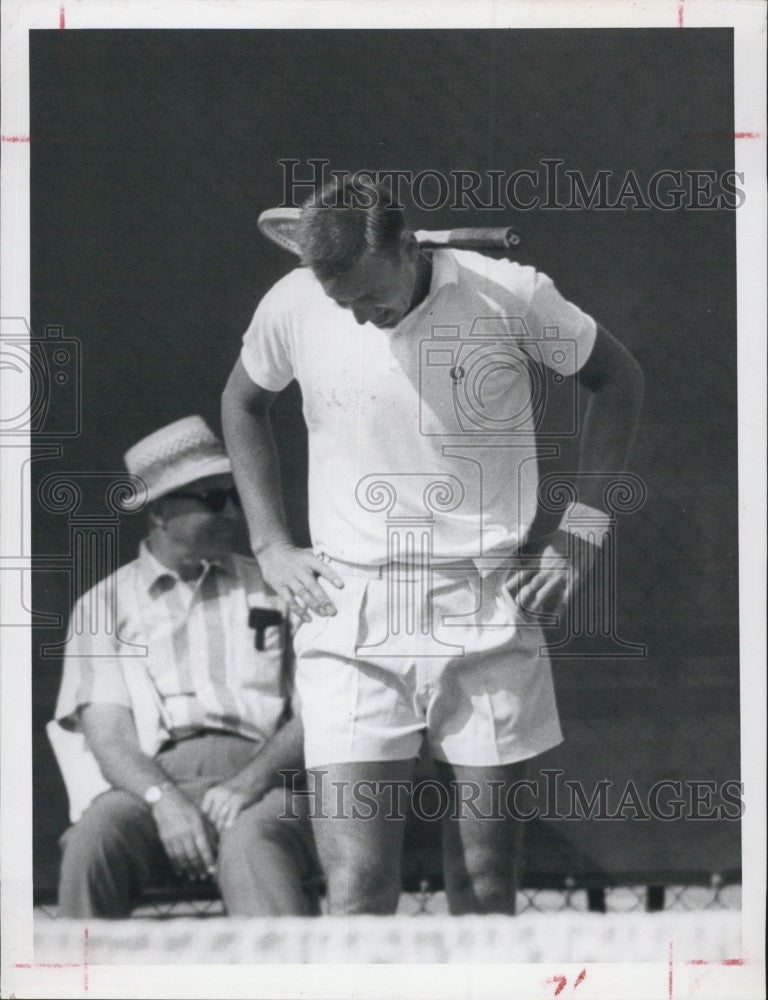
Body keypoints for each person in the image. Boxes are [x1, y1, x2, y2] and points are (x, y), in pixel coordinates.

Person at [221, 179, 644, 915]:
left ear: (409, 249)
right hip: (347, 615)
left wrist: (581, 533)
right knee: (357, 888)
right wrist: (271, 542)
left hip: (484, 608)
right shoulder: (292, 304)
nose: (357, 317)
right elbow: (243, 402)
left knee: (483, 887)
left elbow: (619, 380)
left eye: (370, 296)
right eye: (341, 302)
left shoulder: (512, 295)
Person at [49, 415, 318, 918]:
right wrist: (163, 799)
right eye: (214, 500)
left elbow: (317, 711)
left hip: (264, 778)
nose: (235, 515)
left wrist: (252, 779)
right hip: (152, 781)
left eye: (235, 496)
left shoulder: (275, 585)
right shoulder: (102, 606)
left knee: (254, 844)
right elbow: (109, 737)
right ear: (159, 512)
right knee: (93, 839)